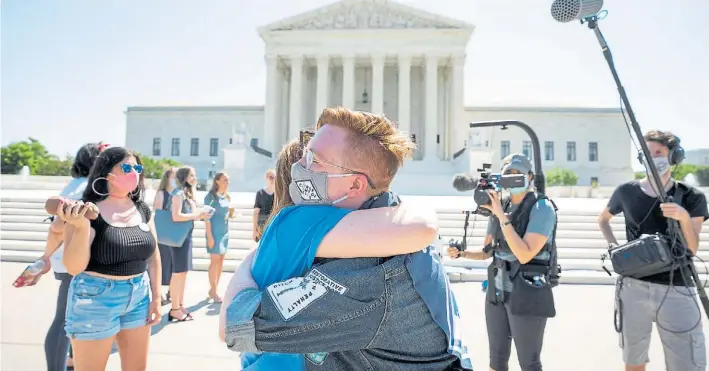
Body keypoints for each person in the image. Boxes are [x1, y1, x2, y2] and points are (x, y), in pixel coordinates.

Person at [221, 107, 473, 371]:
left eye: (314, 160)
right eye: (305, 154)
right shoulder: (391, 221)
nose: (299, 166)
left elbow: (237, 323)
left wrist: (253, 261)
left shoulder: (368, 280)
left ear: (354, 185)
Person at [597, 130, 708, 371]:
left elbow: (692, 247)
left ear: (674, 157)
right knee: (634, 361)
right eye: (647, 153)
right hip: (633, 286)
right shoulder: (625, 191)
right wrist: (613, 246)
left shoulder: (691, 196)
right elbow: (603, 219)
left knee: (687, 364)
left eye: (659, 152)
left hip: (677, 286)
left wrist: (684, 218)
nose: (653, 157)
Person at [447, 153, 558, 371]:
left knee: (529, 362)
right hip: (497, 290)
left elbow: (525, 254)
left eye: (518, 174)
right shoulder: (500, 205)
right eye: (508, 174)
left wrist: (500, 214)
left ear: (530, 176)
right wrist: (461, 254)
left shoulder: (542, 207)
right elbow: (488, 252)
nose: (513, 178)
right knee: (496, 360)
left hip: (527, 289)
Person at [57, 146, 162, 371]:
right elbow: (74, 267)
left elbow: (154, 256)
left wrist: (156, 298)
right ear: (107, 172)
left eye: (137, 167)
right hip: (95, 298)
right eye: (126, 167)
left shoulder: (142, 209)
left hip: (139, 296)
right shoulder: (85, 210)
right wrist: (82, 227)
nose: (134, 172)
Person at [41, 142, 102, 371]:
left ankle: (70, 362)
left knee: (69, 320)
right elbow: (58, 224)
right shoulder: (86, 189)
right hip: (76, 263)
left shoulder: (72, 185)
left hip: (68, 260)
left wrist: (46, 256)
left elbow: (55, 227)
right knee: (64, 322)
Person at [168, 166, 211, 321]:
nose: (194, 177)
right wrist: (197, 215)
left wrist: (199, 215)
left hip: (186, 236)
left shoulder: (187, 193)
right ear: (184, 177)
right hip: (179, 238)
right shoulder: (178, 193)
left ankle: (179, 304)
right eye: (191, 175)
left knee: (183, 272)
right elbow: (176, 216)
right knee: (178, 273)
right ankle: (174, 309)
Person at [204, 171, 231, 303]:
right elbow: (206, 218)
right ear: (217, 181)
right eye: (225, 180)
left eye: (228, 181)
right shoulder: (210, 197)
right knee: (214, 261)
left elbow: (226, 214)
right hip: (214, 232)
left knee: (220, 261)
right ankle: (213, 291)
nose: (227, 183)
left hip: (225, 232)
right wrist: (209, 236)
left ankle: (214, 288)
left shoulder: (227, 197)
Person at [153, 167, 177, 306]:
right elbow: (158, 215)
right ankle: (159, 292)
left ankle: (171, 291)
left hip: (175, 235)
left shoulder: (178, 193)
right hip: (163, 235)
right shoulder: (162, 194)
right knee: (163, 263)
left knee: (174, 264)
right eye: (173, 177)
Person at [252, 169, 275, 242]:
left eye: (274, 177)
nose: (273, 180)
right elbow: (256, 212)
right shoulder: (260, 193)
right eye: (271, 177)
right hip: (262, 225)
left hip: (273, 224)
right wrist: (254, 230)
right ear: (266, 178)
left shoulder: (278, 194)